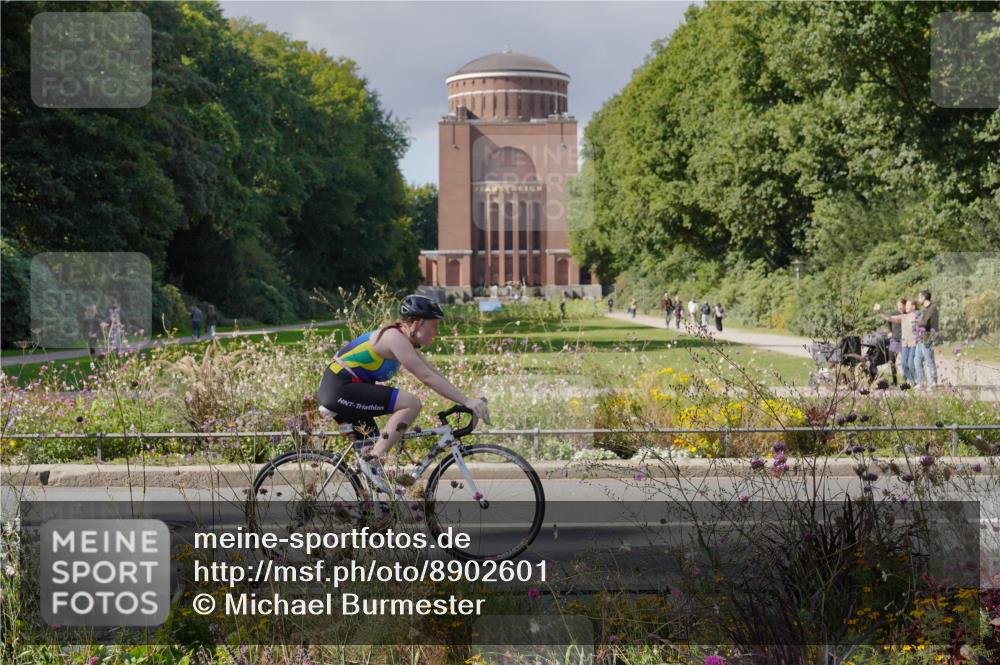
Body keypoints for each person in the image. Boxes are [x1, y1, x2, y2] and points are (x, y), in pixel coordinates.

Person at [317, 295, 490, 491]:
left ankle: (371, 511)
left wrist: (468, 399)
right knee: (411, 403)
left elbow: (434, 373)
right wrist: (467, 401)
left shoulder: (406, 342)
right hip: (340, 388)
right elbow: (426, 377)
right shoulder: (394, 338)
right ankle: (374, 460)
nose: (437, 331)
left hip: (347, 391)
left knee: (373, 459)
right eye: (433, 325)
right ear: (415, 323)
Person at [877, 298, 920, 385]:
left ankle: (916, 381)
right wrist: (879, 312)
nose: (901, 307)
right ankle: (908, 380)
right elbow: (890, 319)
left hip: (912, 343)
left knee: (910, 363)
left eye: (905, 305)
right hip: (902, 342)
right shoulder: (903, 316)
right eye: (898, 306)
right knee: (903, 364)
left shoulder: (917, 315)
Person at [913, 290, 939, 388]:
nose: (918, 299)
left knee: (929, 360)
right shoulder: (925, 309)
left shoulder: (932, 309)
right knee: (917, 361)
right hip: (920, 337)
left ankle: (933, 382)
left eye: (919, 297)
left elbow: (930, 325)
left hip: (927, 337)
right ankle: (921, 381)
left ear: (924, 297)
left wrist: (930, 339)